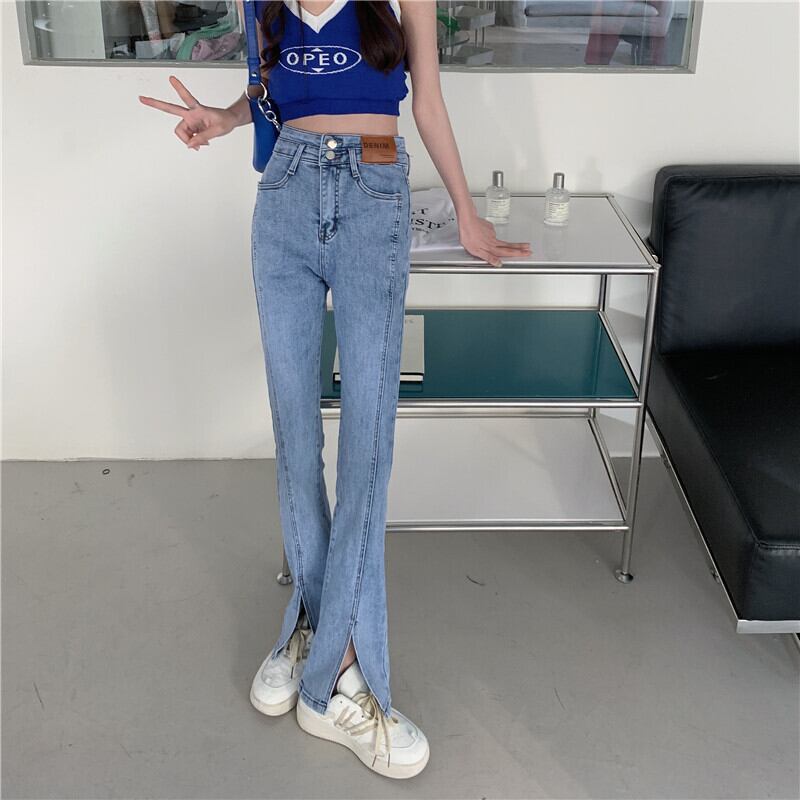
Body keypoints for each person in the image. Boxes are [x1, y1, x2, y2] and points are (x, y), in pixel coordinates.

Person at [139, 0, 531, 780]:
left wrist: (466, 212)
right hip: (283, 196)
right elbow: (268, 92)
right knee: (294, 440)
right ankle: (325, 648)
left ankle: (327, 666)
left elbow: (427, 101)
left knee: (366, 452)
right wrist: (224, 117)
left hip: (373, 192)